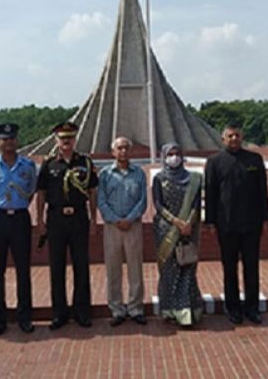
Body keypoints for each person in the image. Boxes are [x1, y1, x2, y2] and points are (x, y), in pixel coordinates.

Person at [204, 123, 268, 325]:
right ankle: (232, 307)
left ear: (242, 138)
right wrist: (210, 221)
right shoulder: (215, 162)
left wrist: (265, 218)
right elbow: (210, 192)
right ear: (223, 139)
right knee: (229, 267)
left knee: (252, 266)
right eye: (230, 136)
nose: (234, 139)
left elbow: (262, 191)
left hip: (252, 223)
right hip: (226, 224)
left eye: (237, 135)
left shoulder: (254, 159)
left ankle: (252, 307)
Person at [36, 121, 99, 330]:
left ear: (75, 140)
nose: (66, 142)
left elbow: (92, 192)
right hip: (56, 219)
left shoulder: (85, 162)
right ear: (56, 140)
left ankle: (82, 312)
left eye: (70, 138)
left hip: (79, 218)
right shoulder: (49, 164)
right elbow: (42, 193)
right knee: (57, 267)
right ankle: (59, 313)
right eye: (63, 139)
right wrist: (40, 220)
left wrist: (94, 220)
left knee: (81, 266)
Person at [0, 123, 37, 335]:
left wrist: (16, 207)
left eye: (12, 138)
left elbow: (31, 191)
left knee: (23, 270)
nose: (9, 142)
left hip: (20, 219)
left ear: (17, 140)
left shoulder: (28, 165)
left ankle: (25, 317)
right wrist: (1, 208)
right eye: (4, 139)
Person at [97, 136, 147, 326]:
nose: (123, 152)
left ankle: (135, 308)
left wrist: (130, 218)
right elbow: (101, 200)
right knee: (113, 269)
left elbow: (143, 200)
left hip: (133, 225)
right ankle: (117, 309)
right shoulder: (105, 174)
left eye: (126, 148)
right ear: (113, 152)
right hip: (112, 227)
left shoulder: (139, 173)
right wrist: (116, 219)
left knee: (135, 268)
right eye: (119, 148)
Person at [152, 142, 203, 327]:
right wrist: (176, 222)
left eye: (177, 153)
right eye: (170, 154)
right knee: (169, 270)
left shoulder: (194, 179)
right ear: (164, 157)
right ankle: (169, 309)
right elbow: (158, 205)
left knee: (187, 268)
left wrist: (189, 222)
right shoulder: (159, 179)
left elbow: (197, 203)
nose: (174, 157)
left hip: (190, 230)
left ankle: (188, 311)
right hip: (166, 230)